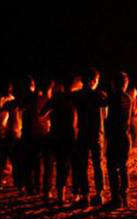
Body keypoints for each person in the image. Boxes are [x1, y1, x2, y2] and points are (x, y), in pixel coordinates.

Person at [74, 67, 107, 207]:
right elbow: (106, 113)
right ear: (93, 80)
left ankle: (85, 195)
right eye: (97, 80)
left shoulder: (78, 95)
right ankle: (99, 194)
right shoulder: (99, 95)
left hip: (83, 132)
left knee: (82, 165)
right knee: (97, 164)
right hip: (96, 133)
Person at [44, 74, 79, 204]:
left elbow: (42, 114)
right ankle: (74, 193)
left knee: (59, 165)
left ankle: (59, 194)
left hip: (56, 134)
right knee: (72, 166)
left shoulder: (56, 99)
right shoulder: (75, 97)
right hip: (71, 135)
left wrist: (50, 121)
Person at [105, 71, 133, 209]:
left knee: (112, 167)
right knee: (123, 167)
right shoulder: (128, 98)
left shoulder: (112, 98)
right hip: (125, 136)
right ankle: (124, 196)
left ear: (114, 84)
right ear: (125, 84)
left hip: (115, 136)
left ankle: (116, 198)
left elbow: (108, 117)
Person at [22, 78, 53, 198]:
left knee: (35, 163)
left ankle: (35, 187)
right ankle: (44, 189)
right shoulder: (47, 100)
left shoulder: (31, 100)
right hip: (43, 134)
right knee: (46, 164)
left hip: (34, 134)